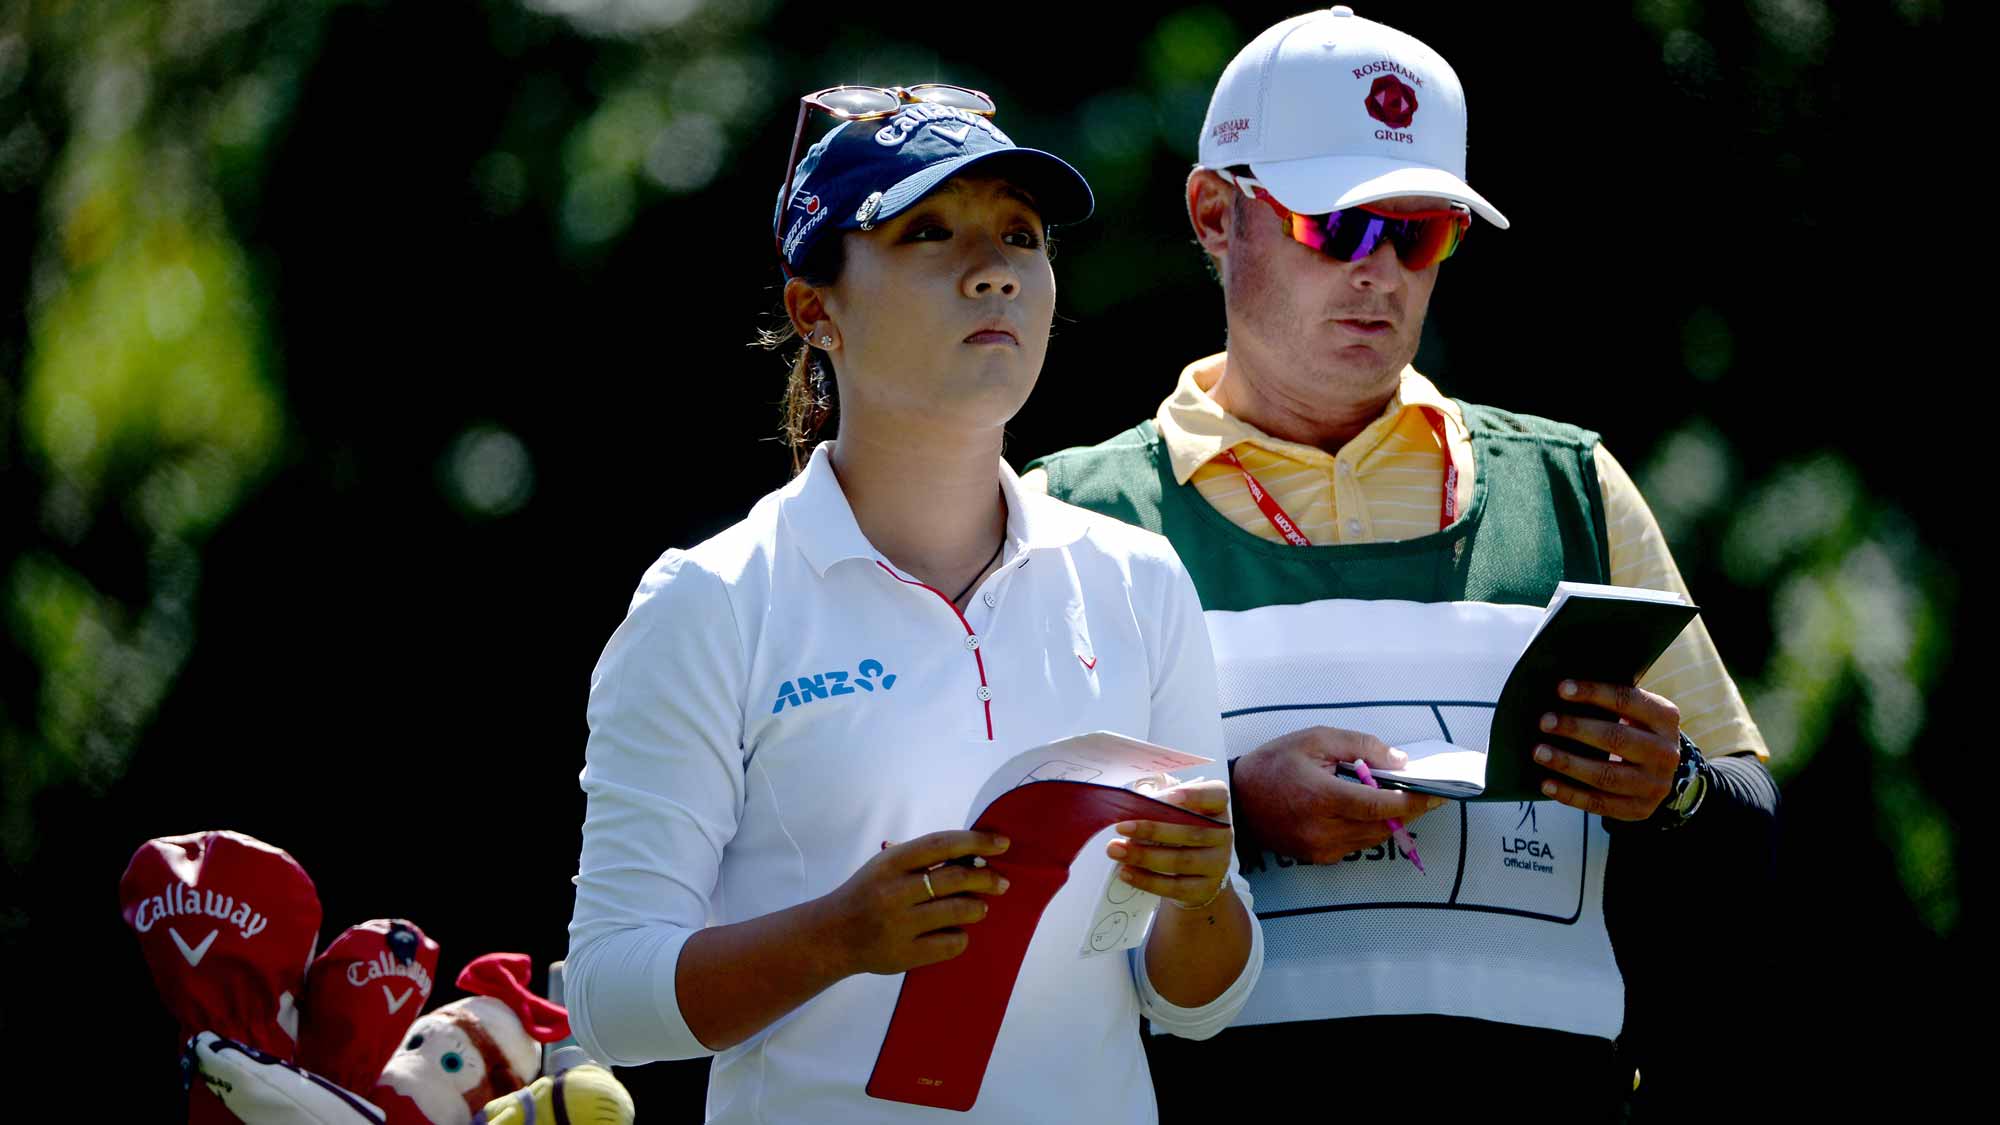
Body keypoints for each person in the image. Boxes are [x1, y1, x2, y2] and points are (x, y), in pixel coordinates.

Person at [1025, 8, 1779, 1117]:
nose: (1378, 274)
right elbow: (1003, 882)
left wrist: (1666, 792)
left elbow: (1747, 833)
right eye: (1336, 226)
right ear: (1211, 213)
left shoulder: (1574, 489)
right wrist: (1235, 812)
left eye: (1417, 232)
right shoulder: (1063, 516)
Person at [563, 84, 1261, 1124]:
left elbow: (1192, 1002)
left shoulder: (1136, 580)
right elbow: (610, 999)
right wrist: (838, 936)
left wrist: (1200, 892)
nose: (990, 271)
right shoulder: (710, 601)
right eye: (925, 232)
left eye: (1018, 236)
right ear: (815, 310)